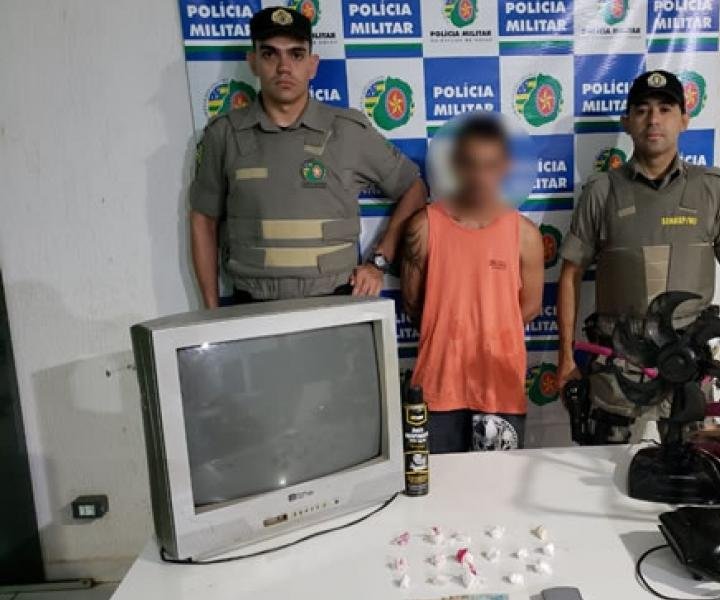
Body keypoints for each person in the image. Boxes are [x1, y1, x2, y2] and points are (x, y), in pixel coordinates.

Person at [556, 70, 720, 443]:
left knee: (690, 468)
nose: (654, 120)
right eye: (642, 110)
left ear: (684, 119)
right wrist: (566, 358)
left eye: (665, 109)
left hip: (689, 361)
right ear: (627, 122)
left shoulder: (712, 189)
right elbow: (570, 275)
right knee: (599, 468)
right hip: (616, 364)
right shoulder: (601, 192)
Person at [189, 7, 426, 307]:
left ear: (312, 65)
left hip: (336, 307)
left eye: (296, 54)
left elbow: (414, 189)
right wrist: (211, 312)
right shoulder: (224, 134)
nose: (284, 67)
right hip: (253, 312)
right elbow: (203, 219)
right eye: (270, 54)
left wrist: (378, 262)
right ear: (253, 62)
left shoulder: (348, 131)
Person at [401, 115, 545, 453]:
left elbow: (529, 308)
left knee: (498, 483)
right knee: (437, 484)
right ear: (456, 165)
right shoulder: (424, 227)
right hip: (437, 391)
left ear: (505, 167)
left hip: (499, 392)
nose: (480, 176)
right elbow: (413, 304)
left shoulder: (525, 235)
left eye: (490, 165)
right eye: (471, 164)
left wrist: (490, 332)